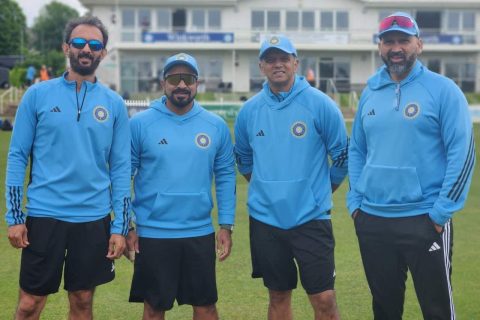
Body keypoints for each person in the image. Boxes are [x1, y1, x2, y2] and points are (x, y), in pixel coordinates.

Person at [347, 12, 476, 319]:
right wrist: (356, 201)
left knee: (437, 310)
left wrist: (441, 211)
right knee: (385, 309)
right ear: (380, 47)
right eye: (388, 41)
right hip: (374, 220)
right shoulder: (370, 92)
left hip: (424, 219)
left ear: (419, 43)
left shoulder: (443, 90)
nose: (396, 47)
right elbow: (357, 149)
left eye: (403, 40)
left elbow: (463, 152)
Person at [5, 16, 131, 320]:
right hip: (44, 216)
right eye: (78, 42)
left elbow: (121, 168)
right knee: (29, 305)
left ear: (103, 52)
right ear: (66, 47)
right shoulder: (38, 95)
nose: (86, 49)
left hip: (93, 218)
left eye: (94, 44)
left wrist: (120, 226)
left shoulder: (114, 104)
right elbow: (17, 156)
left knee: (83, 301)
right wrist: (15, 217)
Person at [234, 35, 348, 320]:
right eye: (270, 59)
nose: (278, 64)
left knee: (324, 299)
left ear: (296, 63)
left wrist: (318, 191)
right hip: (266, 220)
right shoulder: (249, 111)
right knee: (278, 295)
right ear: (261, 66)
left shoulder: (320, 104)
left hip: (311, 218)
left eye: (284, 58)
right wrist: (267, 190)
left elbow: (343, 157)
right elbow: (244, 160)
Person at [127, 52, 236, 320]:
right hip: (153, 233)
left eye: (188, 78)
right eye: (174, 78)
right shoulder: (140, 124)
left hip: (198, 232)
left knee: (206, 307)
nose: (181, 85)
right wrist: (126, 225)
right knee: (154, 308)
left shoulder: (215, 126)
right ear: (163, 83)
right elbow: (121, 177)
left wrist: (226, 224)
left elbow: (224, 175)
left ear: (197, 83)